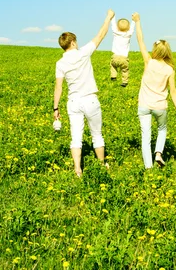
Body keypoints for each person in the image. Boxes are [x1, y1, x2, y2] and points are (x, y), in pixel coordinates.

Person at [53, 9, 115, 177]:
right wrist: (108, 18)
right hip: (90, 100)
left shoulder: (60, 63)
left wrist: (55, 108)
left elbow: (58, 87)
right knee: (96, 134)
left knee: (76, 138)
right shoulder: (83, 53)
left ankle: (78, 170)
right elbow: (100, 35)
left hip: (73, 102)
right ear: (72, 42)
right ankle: (102, 164)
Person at [132, 12, 176, 169]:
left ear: (155, 50)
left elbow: (140, 40)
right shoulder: (169, 69)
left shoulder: (149, 61)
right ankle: (158, 153)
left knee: (145, 137)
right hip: (160, 106)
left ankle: (148, 167)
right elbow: (173, 91)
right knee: (162, 129)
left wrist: (137, 21)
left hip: (144, 105)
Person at [109, 15, 135, 87]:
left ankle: (113, 76)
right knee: (125, 70)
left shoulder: (115, 33)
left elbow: (113, 25)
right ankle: (124, 82)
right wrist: (133, 20)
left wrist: (113, 16)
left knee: (112, 65)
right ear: (128, 28)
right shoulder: (128, 34)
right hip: (124, 58)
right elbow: (132, 28)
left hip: (115, 57)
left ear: (117, 27)